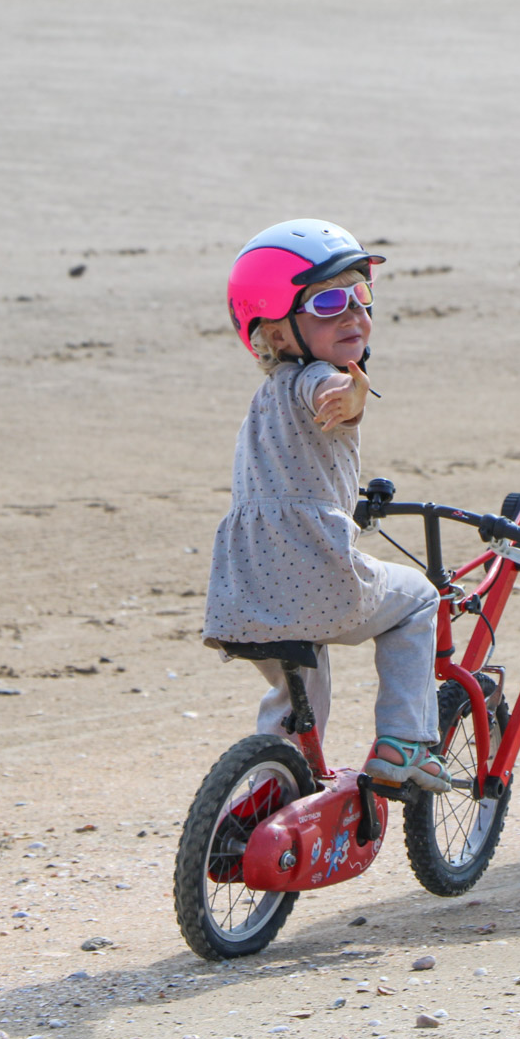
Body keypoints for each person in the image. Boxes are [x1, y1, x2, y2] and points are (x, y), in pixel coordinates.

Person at [202, 219, 451, 793]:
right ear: (278, 332)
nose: (353, 314)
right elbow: (330, 394)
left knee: (298, 691)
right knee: (418, 599)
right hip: (314, 573)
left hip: (245, 588)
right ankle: (404, 740)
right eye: (329, 303)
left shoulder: (265, 400)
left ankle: (271, 787)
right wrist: (349, 394)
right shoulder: (319, 380)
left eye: (361, 296)